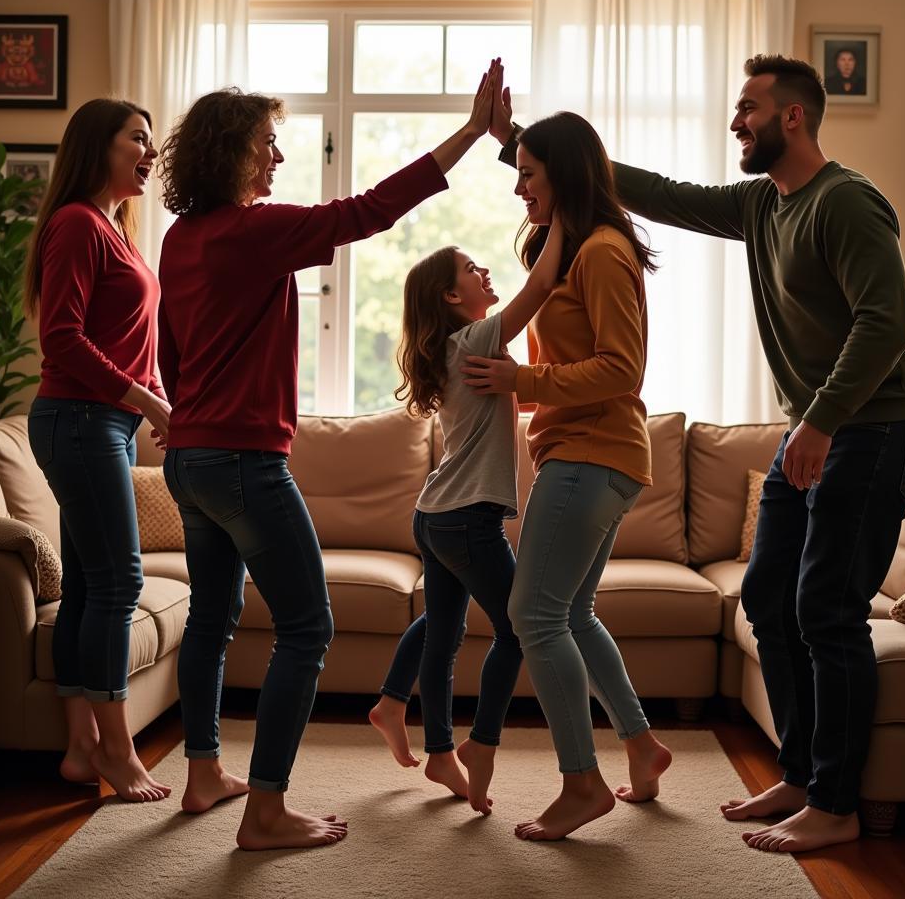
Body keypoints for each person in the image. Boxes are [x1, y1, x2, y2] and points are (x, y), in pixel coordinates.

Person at [490, 55, 905, 852]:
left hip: (877, 430)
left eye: (749, 109)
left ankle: (836, 804)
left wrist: (820, 421)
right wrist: (521, 139)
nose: (737, 121)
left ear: (792, 117)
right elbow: (659, 192)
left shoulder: (846, 202)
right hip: (823, 430)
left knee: (829, 613)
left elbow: (885, 324)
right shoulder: (762, 205)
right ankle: (801, 776)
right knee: (769, 599)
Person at [156, 64, 500, 851]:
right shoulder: (253, 231)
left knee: (211, 618)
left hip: (192, 458)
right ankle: (266, 808)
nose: (276, 158)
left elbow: (172, 357)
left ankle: (205, 770)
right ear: (231, 153)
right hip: (243, 461)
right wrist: (472, 135)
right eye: (266, 145)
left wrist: (188, 424)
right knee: (309, 628)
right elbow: (370, 211)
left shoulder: (182, 239)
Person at [463, 110, 673, 842]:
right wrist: (504, 141)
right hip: (591, 454)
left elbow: (623, 368)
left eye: (528, 173)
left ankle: (581, 783)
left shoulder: (604, 253)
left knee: (534, 616)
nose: (518, 187)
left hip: (592, 451)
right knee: (572, 616)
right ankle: (643, 747)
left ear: (566, 174)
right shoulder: (577, 243)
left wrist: (526, 380)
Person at [369, 179, 564, 816]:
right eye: (471, 269)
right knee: (517, 630)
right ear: (453, 298)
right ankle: (477, 745)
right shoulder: (473, 339)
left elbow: (519, 397)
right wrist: (561, 213)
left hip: (437, 515)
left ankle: (400, 711)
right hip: (463, 518)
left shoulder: (469, 348)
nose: (485, 269)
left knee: (444, 628)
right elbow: (536, 289)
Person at [24, 98, 172, 803]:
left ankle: (82, 749)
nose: (150, 150)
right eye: (136, 138)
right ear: (97, 147)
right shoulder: (78, 225)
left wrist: (162, 401)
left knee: (88, 587)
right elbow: (62, 341)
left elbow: (130, 343)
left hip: (100, 423)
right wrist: (148, 402)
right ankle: (118, 752)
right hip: (79, 421)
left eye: (151, 140)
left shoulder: (112, 229)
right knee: (120, 583)